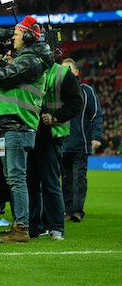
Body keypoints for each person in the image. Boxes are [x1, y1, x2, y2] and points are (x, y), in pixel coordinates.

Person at [0, 15, 54, 243]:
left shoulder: (31, 61)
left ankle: (22, 228)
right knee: (13, 177)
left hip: (18, 125)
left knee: (16, 178)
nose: (12, 38)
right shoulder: (26, 60)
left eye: (15, 34)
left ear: (26, 35)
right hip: (11, 126)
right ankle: (18, 224)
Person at [27, 55, 82, 240]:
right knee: (32, 184)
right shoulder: (28, 68)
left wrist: (56, 117)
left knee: (50, 184)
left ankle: (57, 227)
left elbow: (76, 102)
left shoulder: (61, 73)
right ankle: (35, 227)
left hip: (50, 136)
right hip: (30, 134)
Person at [60, 58, 103, 222]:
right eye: (62, 70)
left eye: (68, 69)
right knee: (65, 180)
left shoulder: (87, 91)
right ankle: (67, 210)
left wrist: (97, 136)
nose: (65, 73)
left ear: (76, 72)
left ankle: (77, 211)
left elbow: (96, 114)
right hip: (62, 143)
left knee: (79, 179)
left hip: (81, 143)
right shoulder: (56, 91)